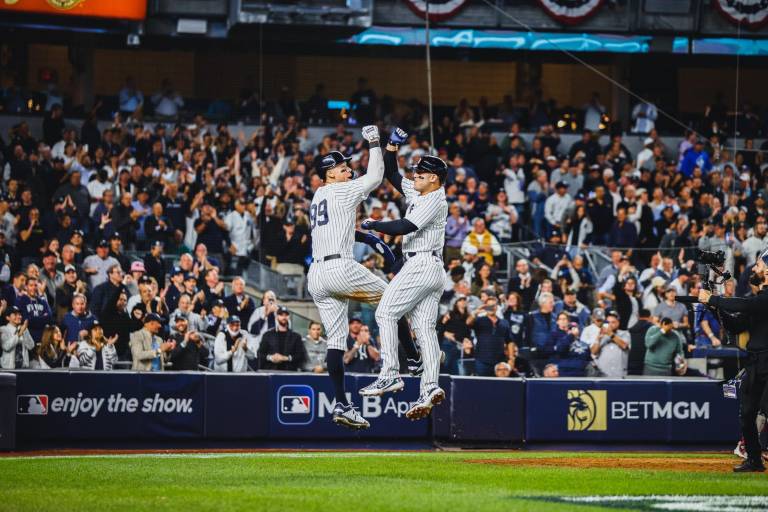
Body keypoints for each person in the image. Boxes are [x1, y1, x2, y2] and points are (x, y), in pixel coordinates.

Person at [305, 126, 405, 430]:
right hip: (339, 268)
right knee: (393, 300)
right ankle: (406, 364)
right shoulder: (341, 190)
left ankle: (342, 404)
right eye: (342, 168)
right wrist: (374, 142)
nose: (348, 170)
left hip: (317, 275)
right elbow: (375, 176)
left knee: (336, 340)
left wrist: (368, 238)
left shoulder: (318, 196)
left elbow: (342, 228)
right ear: (329, 175)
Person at [359, 127, 448, 421]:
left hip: (421, 263)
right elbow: (392, 174)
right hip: (429, 267)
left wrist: (375, 225)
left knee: (385, 313)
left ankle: (390, 373)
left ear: (434, 178)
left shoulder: (435, 199)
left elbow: (405, 227)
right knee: (425, 330)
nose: (415, 175)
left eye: (421, 173)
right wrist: (391, 147)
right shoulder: (421, 191)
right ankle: (429, 387)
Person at [697, 254, 768, 472]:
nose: (753, 268)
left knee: (763, 410)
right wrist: (714, 308)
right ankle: (754, 459)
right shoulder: (758, 300)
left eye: (758, 265)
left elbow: (746, 306)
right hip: (756, 362)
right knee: (747, 414)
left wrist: (713, 299)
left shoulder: (761, 300)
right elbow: (737, 325)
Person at [467, 296, 509, 377]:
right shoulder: (479, 320)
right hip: (482, 360)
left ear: (497, 307)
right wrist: (476, 311)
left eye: (493, 306)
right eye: (488, 306)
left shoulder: (504, 322)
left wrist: (511, 359)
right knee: (482, 382)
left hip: (499, 361)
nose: (491, 308)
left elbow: (509, 341)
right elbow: (468, 323)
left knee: (499, 383)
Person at [259, 307, 305, 371]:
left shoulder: (296, 337)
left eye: (286, 315)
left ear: (289, 317)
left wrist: (286, 358)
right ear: (276, 317)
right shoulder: (268, 335)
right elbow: (260, 353)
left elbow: (300, 355)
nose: (284, 317)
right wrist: (271, 357)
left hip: (289, 372)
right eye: (281, 315)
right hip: (271, 371)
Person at [591, 310, 631, 378]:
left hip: (618, 374)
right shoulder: (601, 334)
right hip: (602, 374)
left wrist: (610, 334)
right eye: (608, 322)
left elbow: (624, 346)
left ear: (618, 323)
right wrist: (598, 338)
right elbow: (593, 352)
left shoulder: (625, 334)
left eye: (613, 322)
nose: (610, 324)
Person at [439, 295, 473, 375]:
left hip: (462, 345)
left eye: (464, 300)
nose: (463, 302)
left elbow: (469, 331)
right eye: (460, 300)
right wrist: (445, 333)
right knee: (446, 365)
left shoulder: (469, 316)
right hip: (449, 344)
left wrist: (467, 340)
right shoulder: (450, 314)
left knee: (460, 368)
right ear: (456, 303)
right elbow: (438, 327)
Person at [628, 308, 654, 375]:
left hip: (632, 362)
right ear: (650, 317)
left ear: (638, 316)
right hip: (647, 363)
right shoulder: (653, 329)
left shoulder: (630, 330)